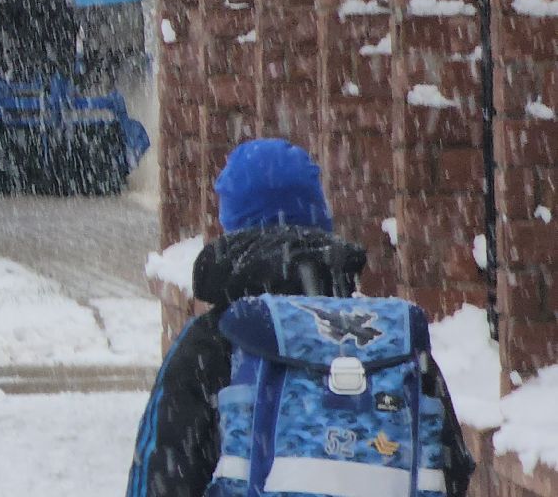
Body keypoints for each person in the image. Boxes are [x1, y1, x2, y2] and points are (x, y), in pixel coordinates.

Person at [125, 138, 474, 497]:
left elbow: (160, 471)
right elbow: (452, 466)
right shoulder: (386, 341)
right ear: (320, 218)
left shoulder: (215, 340)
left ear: (231, 223)